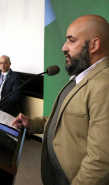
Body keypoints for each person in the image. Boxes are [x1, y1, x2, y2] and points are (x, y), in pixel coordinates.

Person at [12, 15, 109, 185]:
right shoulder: (83, 75)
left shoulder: (104, 85)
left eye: (71, 41)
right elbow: (68, 121)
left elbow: (100, 162)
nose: (64, 47)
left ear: (94, 45)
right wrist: (32, 123)